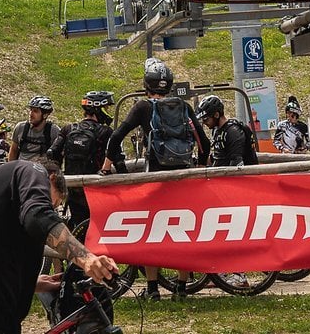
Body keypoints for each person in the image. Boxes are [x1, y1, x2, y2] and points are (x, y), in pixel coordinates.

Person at [0, 158, 118, 334]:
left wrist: (32, 283)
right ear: (51, 178)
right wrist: (86, 259)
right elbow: (38, 216)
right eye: (53, 205)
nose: (50, 209)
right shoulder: (32, 171)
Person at [101, 58, 209, 300]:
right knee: (184, 233)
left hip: (156, 178)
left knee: (154, 232)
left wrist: (110, 166)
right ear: (169, 85)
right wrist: (200, 169)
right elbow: (205, 142)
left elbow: (116, 137)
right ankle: (181, 289)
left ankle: (152, 289)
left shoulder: (142, 107)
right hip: (183, 178)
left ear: (146, 85)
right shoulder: (183, 106)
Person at [47, 91, 114, 228]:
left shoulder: (68, 129)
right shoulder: (105, 131)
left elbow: (52, 152)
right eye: (106, 108)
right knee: (96, 222)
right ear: (98, 109)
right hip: (95, 186)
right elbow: (117, 159)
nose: (108, 112)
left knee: (78, 220)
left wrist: (60, 173)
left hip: (71, 185)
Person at [197, 94, 258, 167]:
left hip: (236, 175)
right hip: (221, 174)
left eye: (206, 119)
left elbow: (237, 163)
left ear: (216, 115)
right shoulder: (217, 130)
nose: (204, 123)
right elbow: (219, 157)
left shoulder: (233, 132)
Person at [9, 96, 60, 162]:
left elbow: (60, 154)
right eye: (30, 110)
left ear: (45, 115)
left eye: (35, 111)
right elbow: (13, 150)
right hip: (22, 169)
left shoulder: (54, 131)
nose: (31, 114)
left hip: (42, 170)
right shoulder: (21, 127)